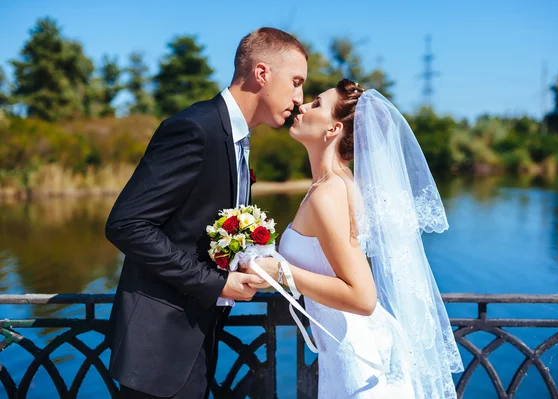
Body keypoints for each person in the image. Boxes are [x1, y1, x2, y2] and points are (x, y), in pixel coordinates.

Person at [104, 27, 308, 398]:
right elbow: (127, 225)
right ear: (262, 74)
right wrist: (217, 284)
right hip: (159, 348)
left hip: (196, 339)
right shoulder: (194, 128)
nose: (299, 97)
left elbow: (196, 230)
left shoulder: (240, 140)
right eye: (295, 82)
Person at [247, 79, 464, 398]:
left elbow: (363, 297)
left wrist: (280, 273)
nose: (302, 106)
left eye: (316, 104)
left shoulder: (329, 192)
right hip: (345, 352)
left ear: (333, 130)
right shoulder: (335, 184)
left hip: (359, 364)